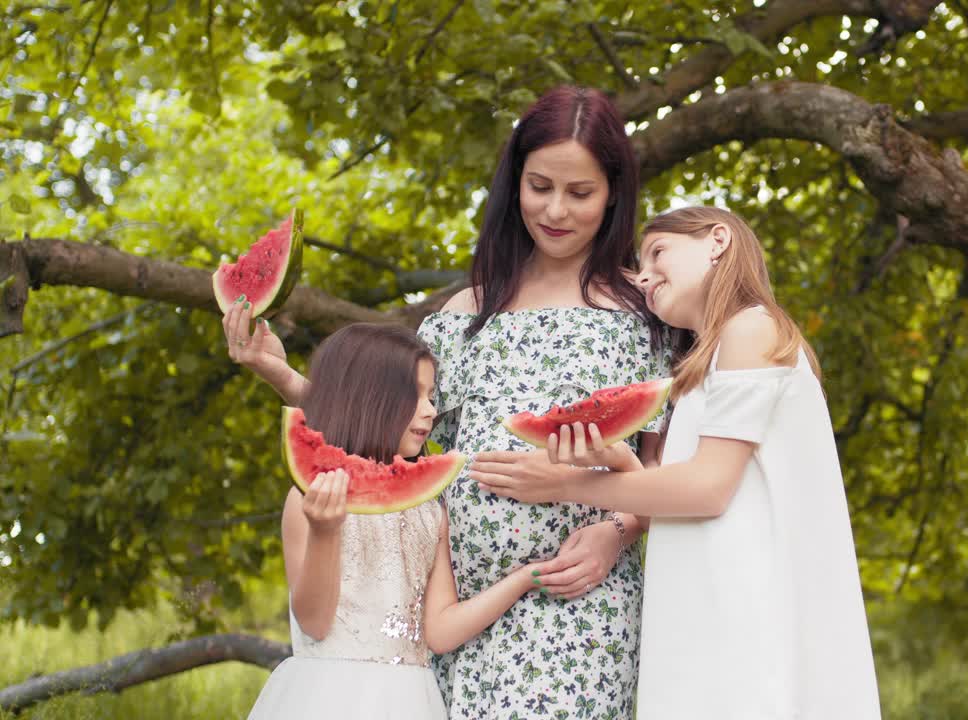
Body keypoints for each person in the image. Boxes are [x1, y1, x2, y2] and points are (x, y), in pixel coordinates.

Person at [223, 86, 670, 718]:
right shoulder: (465, 312)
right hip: (453, 612)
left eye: (581, 192)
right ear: (514, 183)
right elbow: (385, 437)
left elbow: (671, 474)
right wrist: (285, 378)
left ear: (614, 194)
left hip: (581, 607)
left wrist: (617, 531)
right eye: (540, 186)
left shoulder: (645, 312)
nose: (557, 210)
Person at [471, 206, 883, 719]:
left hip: (746, 615)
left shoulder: (751, 329)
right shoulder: (705, 363)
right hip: (712, 608)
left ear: (717, 241)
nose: (643, 276)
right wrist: (622, 465)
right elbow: (705, 490)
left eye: (658, 252)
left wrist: (563, 483)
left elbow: (707, 491)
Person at [245, 323, 557, 720]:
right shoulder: (307, 497)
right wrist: (325, 532)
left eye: (431, 395)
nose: (430, 409)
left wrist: (526, 577)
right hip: (326, 698)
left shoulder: (429, 510)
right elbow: (314, 623)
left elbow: (439, 630)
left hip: (410, 699)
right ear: (368, 400)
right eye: (416, 395)